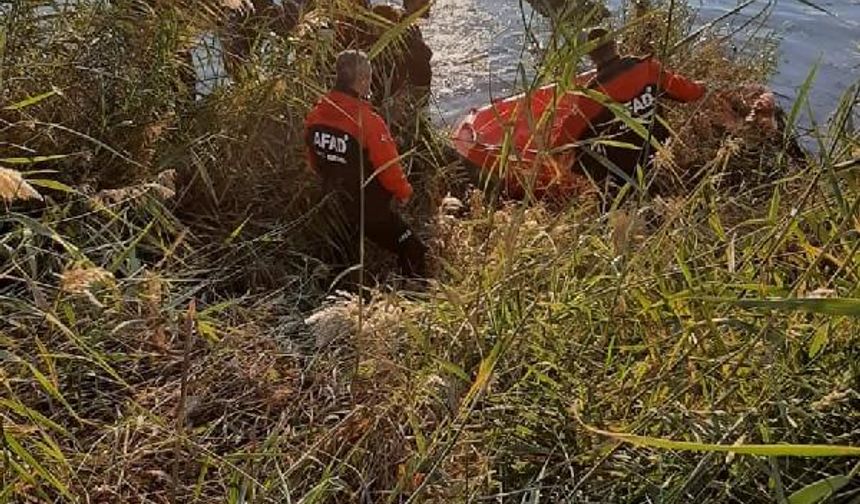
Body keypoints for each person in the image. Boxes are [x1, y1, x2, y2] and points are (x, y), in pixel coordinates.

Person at [304, 50, 428, 280]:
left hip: (334, 207)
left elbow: (312, 159)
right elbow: (389, 167)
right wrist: (404, 193)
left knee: (343, 266)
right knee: (414, 250)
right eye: (369, 78)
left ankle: (342, 297)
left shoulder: (316, 115)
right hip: (368, 209)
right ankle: (410, 300)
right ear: (362, 80)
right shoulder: (368, 122)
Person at [557, 27, 706, 190]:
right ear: (615, 45)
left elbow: (562, 141)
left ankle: (603, 189)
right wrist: (704, 87)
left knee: (582, 143)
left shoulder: (591, 96)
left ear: (590, 57)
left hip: (619, 175)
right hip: (659, 158)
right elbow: (690, 93)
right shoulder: (648, 69)